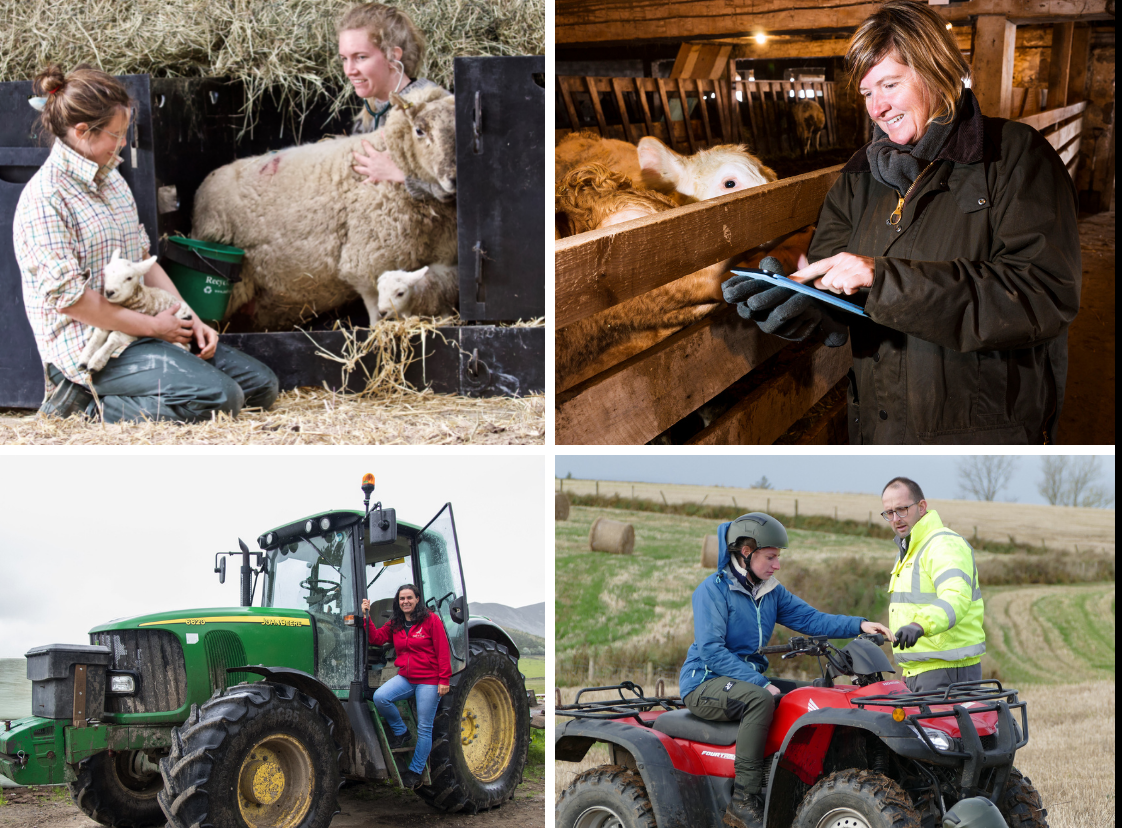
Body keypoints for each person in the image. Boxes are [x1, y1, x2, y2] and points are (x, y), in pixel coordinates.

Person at [724, 0, 1080, 444]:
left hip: (981, 433)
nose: (877, 107)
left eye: (889, 84)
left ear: (936, 71)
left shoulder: (1013, 157)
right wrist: (795, 306)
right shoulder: (858, 176)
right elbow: (833, 289)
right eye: (867, 93)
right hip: (880, 427)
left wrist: (884, 279)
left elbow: (1043, 294)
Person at [13, 65, 278, 422]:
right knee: (220, 398)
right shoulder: (45, 199)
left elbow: (143, 261)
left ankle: (162, 379)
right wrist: (155, 328)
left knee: (262, 386)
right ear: (81, 132)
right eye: (116, 134)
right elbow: (73, 303)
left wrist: (189, 319)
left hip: (141, 327)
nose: (122, 143)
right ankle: (85, 407)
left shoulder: (113, 181)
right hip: (90, 347)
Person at [678, 512, 894, 828]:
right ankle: (743, 800)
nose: (777, 565)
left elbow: (813, 620)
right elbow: (711, 651)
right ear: (746, 552)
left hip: (745, 679)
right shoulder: (712, 591)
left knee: (808, 696)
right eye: (771, 556)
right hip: (705, 681)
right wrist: (759, 682)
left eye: (778, 557)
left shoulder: (770, 592)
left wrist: (858, 623)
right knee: (760, 699)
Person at [337, 3, 452, 202]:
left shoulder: (435, 107)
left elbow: (463, 184)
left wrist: (399, 175)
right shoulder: (370, 112)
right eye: (344, 59)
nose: (349, 70)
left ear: (393, 56)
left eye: (360, 57)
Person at [881, 477, 986, 693]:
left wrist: (919, 625)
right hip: (918, 672)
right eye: (889, 513)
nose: (896, 519)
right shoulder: (910, 549)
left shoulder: (943, 545)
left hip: (948, 672)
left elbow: (955, 597)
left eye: (902, 509)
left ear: (922, 507)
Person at [361, 584, 451, 789]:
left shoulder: (430, 620)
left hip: (429, 680)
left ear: (417, 599)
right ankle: (401, 732)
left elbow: (443, 649)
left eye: (409, 598)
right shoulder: (396, 622)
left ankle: (415, 771)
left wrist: (444, 679)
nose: (406, 602)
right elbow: (376, 639)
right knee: (380, 697)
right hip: (407, 678)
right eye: (402, 599)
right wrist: (366, 616)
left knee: (425, 728)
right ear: (398, 602)